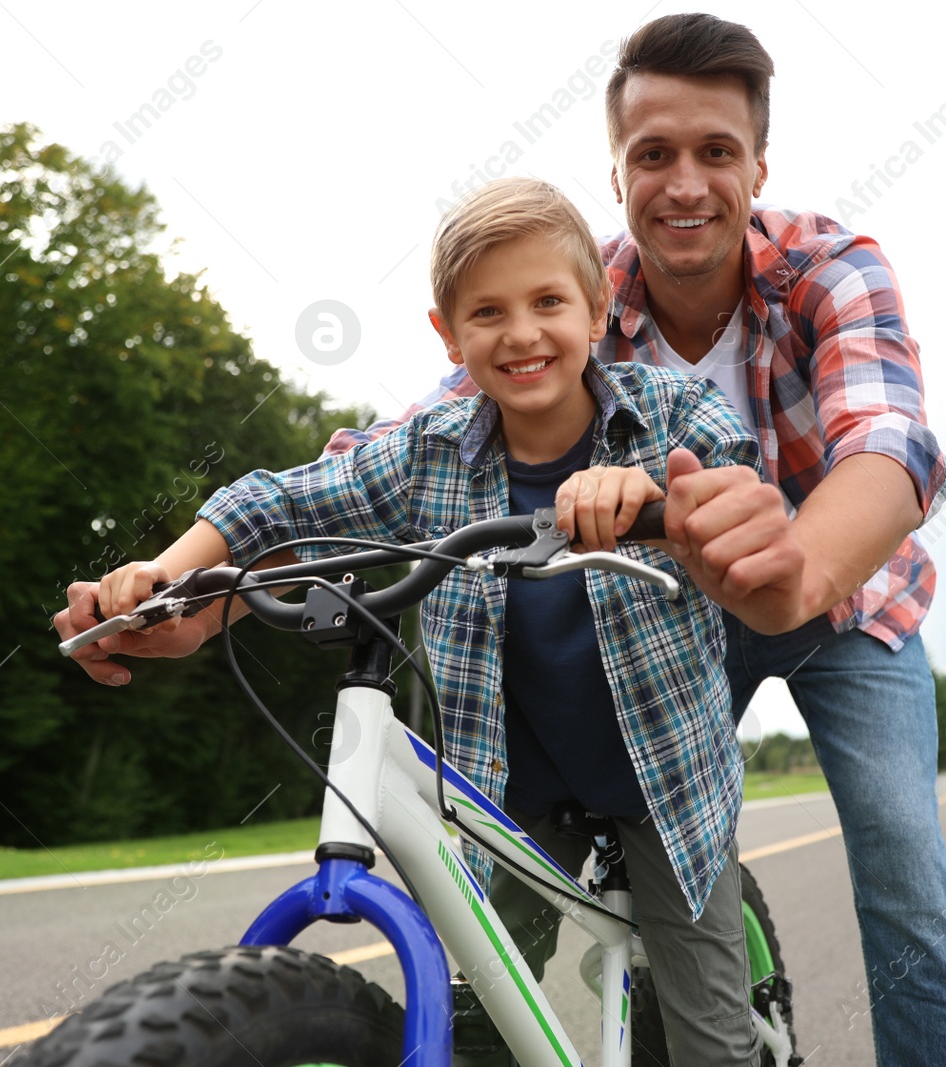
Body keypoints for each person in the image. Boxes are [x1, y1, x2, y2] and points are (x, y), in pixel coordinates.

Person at [320, 14, 946, 1067]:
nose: (685, 183)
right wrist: (310, 507)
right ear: (618, 171)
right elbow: (439, 421)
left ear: (757, 163)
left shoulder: (831, 266)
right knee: (582, 820)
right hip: (661, 608)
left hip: (842, 603)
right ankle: (556, 1020)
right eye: (654, 154)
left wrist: (794, 576)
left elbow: (891, 442)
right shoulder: (582, 294)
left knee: (902, 864)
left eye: (716, 152)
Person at [75, 177, 763, 1063]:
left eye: (548, 301)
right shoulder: (427, 452)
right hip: (513, 795)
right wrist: (164, 574)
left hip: (666, 786)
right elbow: (273, 505)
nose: (520, 333)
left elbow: (731, 481)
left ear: (597, 311)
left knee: (713, 1038)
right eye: (486, 312)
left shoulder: (669, 412)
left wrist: (657, 492)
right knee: (487, 1027)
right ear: (447, 334)